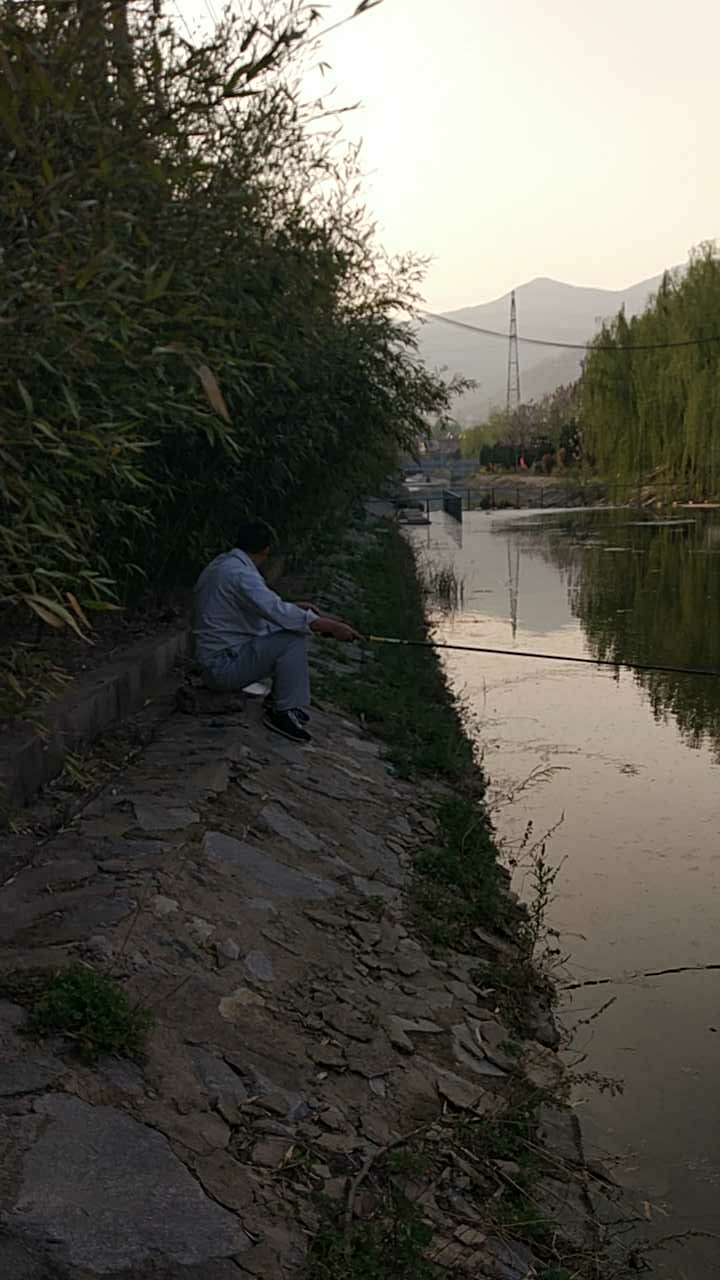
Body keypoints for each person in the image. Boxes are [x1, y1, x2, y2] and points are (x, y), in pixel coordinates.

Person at [192, 520, 359, 744]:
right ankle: (282, 710)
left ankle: (282, 703)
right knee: (292, 641)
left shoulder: (223, 565)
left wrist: (296, 609)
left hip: (220, 659)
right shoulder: (242, 575)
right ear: (266, 550)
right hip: (222, 666)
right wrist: (330, 626)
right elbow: (276, 610)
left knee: (288, 631)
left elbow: (267, 609)